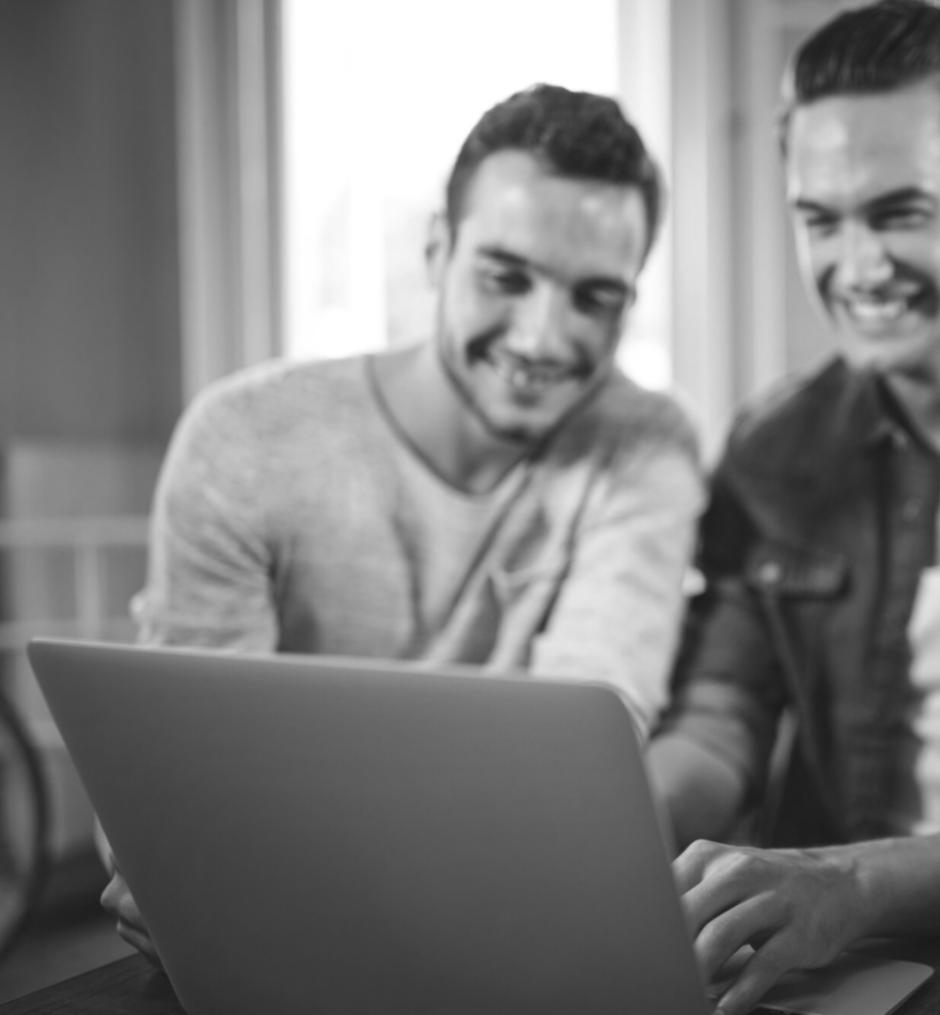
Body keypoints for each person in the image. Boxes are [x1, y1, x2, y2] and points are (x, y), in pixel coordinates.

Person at [102, 83, 705, 959]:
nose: (542, 338)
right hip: (276, 947)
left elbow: (580, 767)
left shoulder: (645, 445)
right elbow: (185, 783)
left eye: (595, 297)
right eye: (507, 277)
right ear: (435, 251)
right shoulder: (244, 439)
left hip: (503, 938)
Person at [646, 2, 940, 1010]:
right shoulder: (776, 447)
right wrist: (616, 823)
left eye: (897, 212)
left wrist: (846, 883)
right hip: (816, 952)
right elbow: (719, 712)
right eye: (820, 219)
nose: (855, 268)